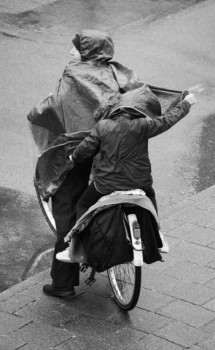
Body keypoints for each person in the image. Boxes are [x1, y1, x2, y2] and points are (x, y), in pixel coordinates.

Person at [36, 29, 149, 299]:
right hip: (113, 150)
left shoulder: (74, 73)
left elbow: (58, 105)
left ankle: (63, 282)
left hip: (80, 149)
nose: (71, 53)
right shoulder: (117, 72)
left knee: (66, 205)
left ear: (86, 52)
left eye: (75, 48)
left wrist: (39, 111)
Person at [56, 87, 196, 263]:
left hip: (106, 185)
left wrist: (73, 157)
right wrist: (185, 104)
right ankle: (158, 237)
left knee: (83, 204)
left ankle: (77, 250)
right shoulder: (143, 125)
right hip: (139, 182)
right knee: (150, 194)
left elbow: (85, 150)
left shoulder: (102, 127)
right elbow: (167, 120)